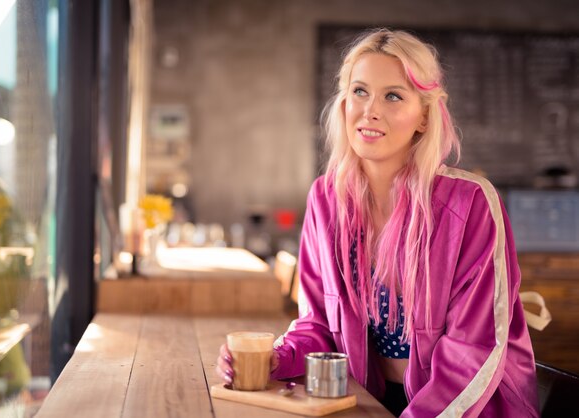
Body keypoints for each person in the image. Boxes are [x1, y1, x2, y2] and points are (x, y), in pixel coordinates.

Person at [216, 28, 539, 417]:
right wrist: (275, 359)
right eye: (360, 91)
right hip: (367, 401)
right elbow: (317, 324)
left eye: (393, 96)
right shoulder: (325, 199)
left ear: (423, 116)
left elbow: (475, 348)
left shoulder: (471, 204)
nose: (370, 110)